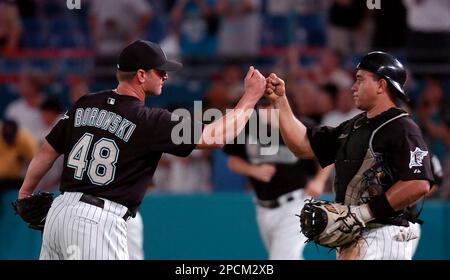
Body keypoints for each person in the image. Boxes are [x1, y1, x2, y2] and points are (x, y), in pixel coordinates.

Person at [17, 40, 266, 260]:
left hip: (59, 214)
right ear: (140, 75)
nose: (165, 76)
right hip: (96, 222)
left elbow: (47, 150)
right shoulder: (148, 120)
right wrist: (251, 97)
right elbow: (216, 136)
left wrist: (26, 192)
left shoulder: (85, 103)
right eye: (160, 71)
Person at [265, 51, 434, 260]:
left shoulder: (402, 128)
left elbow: (418, 183)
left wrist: (363, 213)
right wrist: (281, 102)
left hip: (385, 234)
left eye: (360, 80)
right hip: (357, 233)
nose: (353, 86)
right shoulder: (355, 126)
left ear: (381, 85)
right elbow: (303, 145)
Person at [224, 99, 331, 259]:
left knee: (282, 257)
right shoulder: (248, 127)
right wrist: (254, 170)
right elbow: (233, 162)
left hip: (296, 204)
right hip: (263, 206)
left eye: (272, 106)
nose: (267, 110)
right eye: (263, 106)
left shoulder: (300, 125)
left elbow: (328, 153)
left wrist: (319, 181)